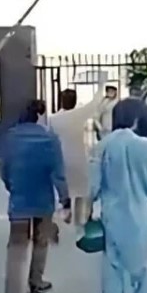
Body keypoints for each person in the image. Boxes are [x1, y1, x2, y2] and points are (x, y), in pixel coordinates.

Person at [90, 113, 147, 293]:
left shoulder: (103, 146)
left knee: (113, 264)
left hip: (113, 214)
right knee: (144, 263)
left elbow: (93, 187)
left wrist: (85, 213)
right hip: (144, 213)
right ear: (135, 121)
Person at [0, 100, 71, 293]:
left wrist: (11, 186)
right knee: (41, 241)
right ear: (40, 115)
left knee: (16, 245)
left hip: (19, 199)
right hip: (43, 199)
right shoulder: (50, 139)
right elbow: (58, 173)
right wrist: (65, 199)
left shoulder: (10, 138)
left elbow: (4, 168)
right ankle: (36, 282)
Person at [48, 71, 108, 235]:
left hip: (61, 158)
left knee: (66, 188)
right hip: (79, 157)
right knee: (81, 191)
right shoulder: (79, 114)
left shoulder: (53, 119)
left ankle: (66, 209)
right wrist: (101, 83)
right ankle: (79, 222)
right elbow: (96, 101)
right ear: (74, 101)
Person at [113, 81, 147, 244]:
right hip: (144, 152)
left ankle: (123, 224)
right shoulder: (145, 108)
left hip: (120, 149)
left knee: (123, 187)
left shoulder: (118, 107)